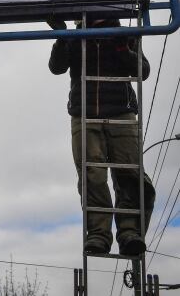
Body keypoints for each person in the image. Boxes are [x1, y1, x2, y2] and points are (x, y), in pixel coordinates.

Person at [48, 16, 155, 256]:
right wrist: (62, 37)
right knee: (91, 174)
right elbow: (57, 67)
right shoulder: (75, 36)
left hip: (121, 112)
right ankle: (98, 234)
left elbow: (142, 70)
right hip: (84, 114)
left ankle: (129, 232)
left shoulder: (125, 34)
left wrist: (121, 47)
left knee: (129, 172)